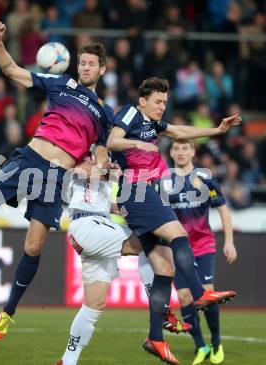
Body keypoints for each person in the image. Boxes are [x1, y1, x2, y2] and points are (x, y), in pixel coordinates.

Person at [0, 20, 115, 342]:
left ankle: (7, 312)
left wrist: (100, 167)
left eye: (92, 63)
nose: (86, 67)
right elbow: (11, 70)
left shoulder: (106, 114)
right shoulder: (60, 83)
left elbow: (102, 154)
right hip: (29, 159)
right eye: (83, 62)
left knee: (33, 246)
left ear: (103, 70)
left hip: (57, 176)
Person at [107, 77, 239, 364]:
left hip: (145, 192)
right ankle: (199, 294)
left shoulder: (154, 125)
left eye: (165, 102)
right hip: (136, 191)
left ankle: (155, 337)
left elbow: (180, 130)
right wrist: (138, 146)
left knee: (164, 268)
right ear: (143, 101)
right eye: (157, 101)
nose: (161, 107)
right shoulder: (131, 113)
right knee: (179, 235)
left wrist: (217, 130)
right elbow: (112, 140)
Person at [56, 153, 190, 365]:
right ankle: (161, 312)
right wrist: (118, 172)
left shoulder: (103, 156)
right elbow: (92, 172)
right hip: (88, 225)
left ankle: (67, 360)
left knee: (94, 305)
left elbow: (108, 204)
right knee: (151, 238)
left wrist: (130, 208)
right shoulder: (80, 154)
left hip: (96, 226)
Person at [163, 139, 237, 364]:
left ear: (193, 151)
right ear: (172, 153)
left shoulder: (204, 177)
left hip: (203, 244)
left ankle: (216, 342)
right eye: (176, 148)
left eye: (185, 148)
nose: (181, 152)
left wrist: (229, 242)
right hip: (177, 247)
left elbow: (223, 210)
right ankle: (201, 346)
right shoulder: (164, 181)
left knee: (206, 295)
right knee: (184, 297)